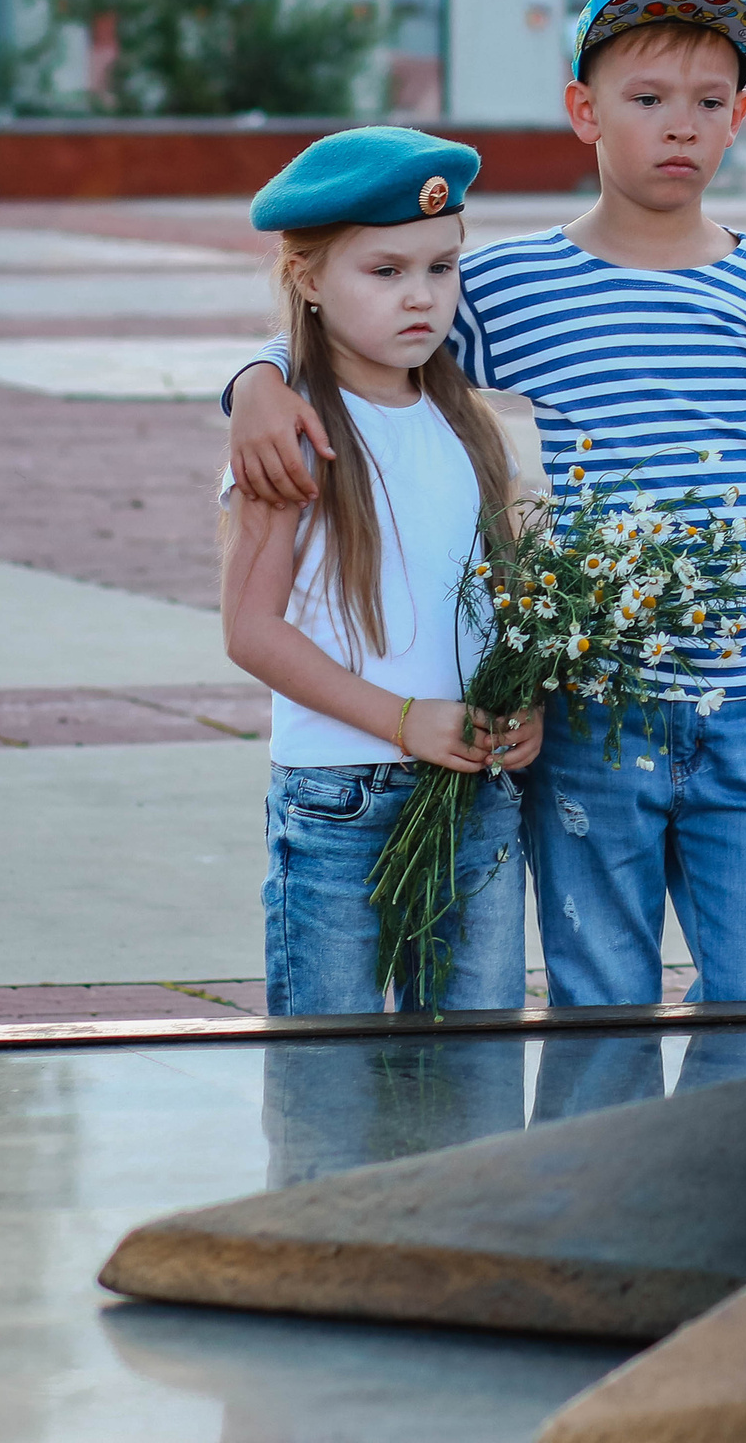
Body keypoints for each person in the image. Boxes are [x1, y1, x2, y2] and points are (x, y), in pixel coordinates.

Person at [223, 0, 746, 1008]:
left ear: (740, 116)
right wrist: (253, 380)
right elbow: (364, 327)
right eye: (646, 100)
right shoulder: (511, 288)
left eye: (709, 104)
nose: (680, 128)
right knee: (597, 1005)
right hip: (587, 720)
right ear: (583, 112)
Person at [217, 126, 543, 1015]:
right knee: (332, 1096)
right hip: (339, 805)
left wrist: (524, 711)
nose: (422, 298)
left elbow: (508, 609)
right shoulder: (293, 432)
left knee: (475, 1076)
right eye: (386, 271)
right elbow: (251, 630)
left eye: (443, 268)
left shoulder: (476, 428)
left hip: (473, 793)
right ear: (309, 280)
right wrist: (405, 722)